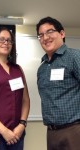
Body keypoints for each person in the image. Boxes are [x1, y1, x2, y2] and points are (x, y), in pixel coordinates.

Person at [36, 16, 80, 150]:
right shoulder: (42, 68)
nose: (45, 37)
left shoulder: (74, 57)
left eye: (50, 32)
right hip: (51, 133)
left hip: (74, 130)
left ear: (62, 33)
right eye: (41, 35)